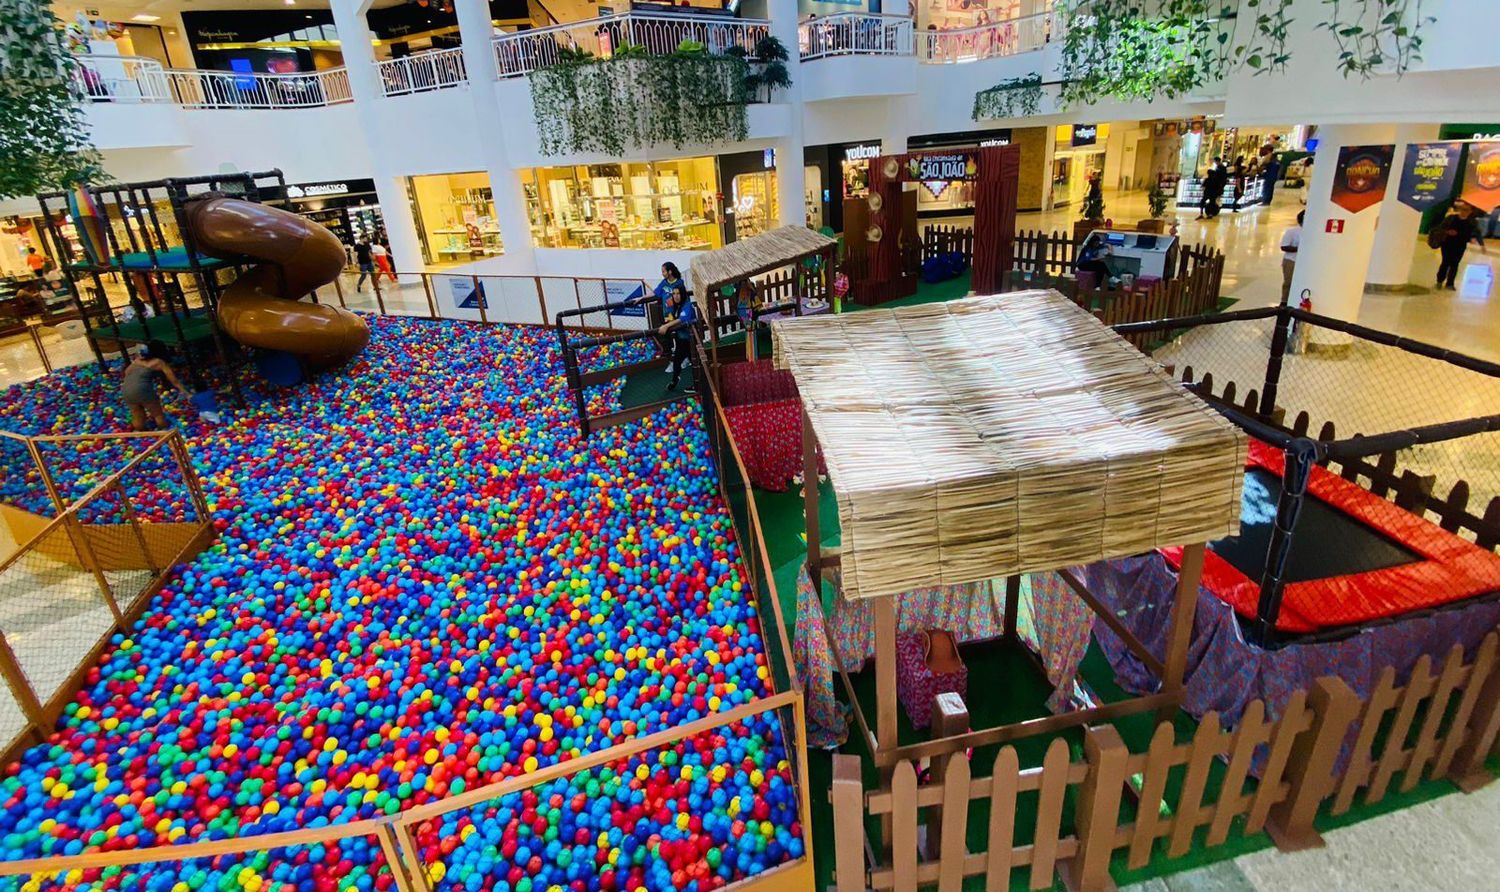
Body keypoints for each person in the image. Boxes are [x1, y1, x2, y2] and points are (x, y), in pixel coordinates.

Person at [121, 340, 190, 432]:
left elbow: (126, 372)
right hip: (142, 389)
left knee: (137, 413)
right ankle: (163, 430)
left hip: (126, 390)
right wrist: (186, 393)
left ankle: (141, 433)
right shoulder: (158, 362)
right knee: (157, 413)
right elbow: (174, 380)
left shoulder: (137, 361)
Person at [1433, 202, 1487, 290]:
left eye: (1466, 210)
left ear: (1470, 212)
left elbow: (1477, 233)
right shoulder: (1451, 218)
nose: (1463, 212)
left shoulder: (1472, 222)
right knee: (1445, 262)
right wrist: (1448, 232)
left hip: (1460, 245)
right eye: (1462, 209)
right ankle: (1439, 281)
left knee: (1455, 263)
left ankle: (1450, 283)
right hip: (1447, 244)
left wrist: (1482, 245)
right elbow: (1441, 228)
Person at [658, 283, 698, 390]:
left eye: (678, 293)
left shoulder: (687, 305)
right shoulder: (677, 306)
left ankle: (698, 385)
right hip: (681, 340)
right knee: (676, 361)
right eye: (674, 293)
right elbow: (669, 310)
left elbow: (682, 319)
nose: (676, 296)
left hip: (691, 340)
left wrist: (666, 326)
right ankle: (675, 380)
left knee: (696, 363)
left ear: (683, 294)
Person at [1280, 210, 1303, 303]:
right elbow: (1284, 246)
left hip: (1303, 262)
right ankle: (1284, 302)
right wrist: (1300, 248)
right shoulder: (1292, 232)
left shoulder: (1312, 232)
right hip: (1291, 261)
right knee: (1288, 283)